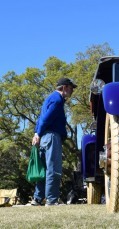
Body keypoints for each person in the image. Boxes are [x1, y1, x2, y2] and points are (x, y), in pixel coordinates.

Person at [31, 78, 77, 206]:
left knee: (43, 169)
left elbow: (40, 118)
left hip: (43, 137)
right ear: (64, 87)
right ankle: (51, 200)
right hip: (51, 136)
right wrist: (38, 133)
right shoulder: (57, 100)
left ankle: (37, 198)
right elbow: (45, 118)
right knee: (53, 168)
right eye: (71, 88)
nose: (72, 90)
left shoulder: (49, 98)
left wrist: (37, 133)